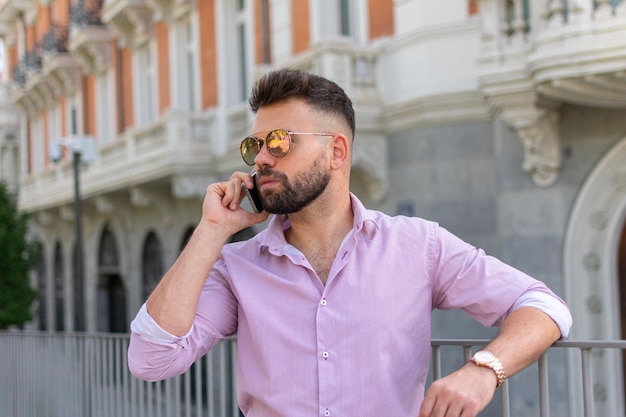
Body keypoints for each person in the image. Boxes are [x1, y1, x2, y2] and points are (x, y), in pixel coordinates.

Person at [128, 68, 572, 417]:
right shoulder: (236, 267)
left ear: (337, 152)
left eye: (280, 142)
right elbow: (150, 359)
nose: (261, 158)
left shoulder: (418, 246)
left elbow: (543, 306)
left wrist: (484, 371)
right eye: (254, 146)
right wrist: (211, 230)